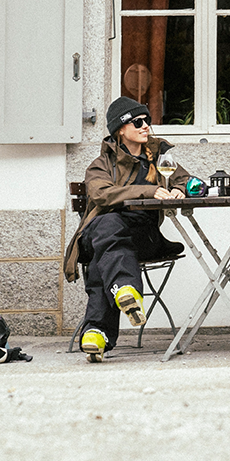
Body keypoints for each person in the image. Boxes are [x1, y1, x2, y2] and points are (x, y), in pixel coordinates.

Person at [62, 96, 191, 362]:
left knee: (104, 256)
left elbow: (188, 180)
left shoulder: (159, 159)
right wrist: (149, 191)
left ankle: (97, 330)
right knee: (109, 226)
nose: (146, 126)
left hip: (142, 237)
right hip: (101, 232)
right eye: (138, 122)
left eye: (147, 121)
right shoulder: (101, 165)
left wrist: (180, 188)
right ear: (121, 129)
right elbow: (101, 194)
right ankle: (124, 289)